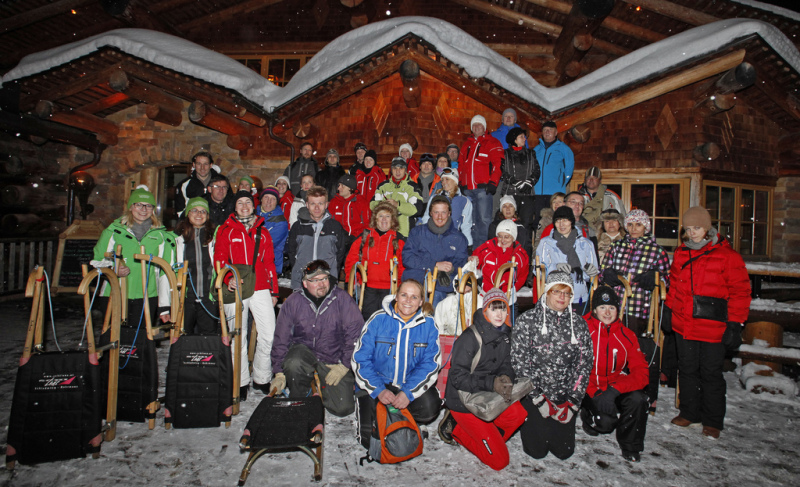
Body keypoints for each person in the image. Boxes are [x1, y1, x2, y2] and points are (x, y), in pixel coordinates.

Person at [665, 206, 751, 439]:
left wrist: (735, 323)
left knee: (711, 372)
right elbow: (674, 284)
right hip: (684, 322)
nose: (692, 233)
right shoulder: (682, 253)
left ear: (708, 228)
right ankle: (689, 412)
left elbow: (740, 292)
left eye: (697, 228)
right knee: (687, 368)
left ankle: (713, 420)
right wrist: (668, 310)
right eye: (688, 228)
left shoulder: (728, 256)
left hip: (713, 325)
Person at [439, 289, 527, 471]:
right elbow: (457, 377)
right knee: (500, 461)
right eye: (494, 309)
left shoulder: (506, 334)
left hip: (488, 396)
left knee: (518, 414)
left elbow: (507, 363)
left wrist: (506, 376)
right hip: (464, 400)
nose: (499, 314)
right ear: (485, 310)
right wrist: (491, 383)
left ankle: (488, 439)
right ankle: (456, 429)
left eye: (503, 308)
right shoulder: (470, 338)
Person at [511, 271, 592, 460]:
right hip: (535, 396)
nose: (562, 297)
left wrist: (573, 402)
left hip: (564, 396)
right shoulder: (527, 321)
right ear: (547, 292)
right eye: (557, 291)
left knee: (564, 452)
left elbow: (584, 365)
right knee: (536, 452)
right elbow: (520, 363)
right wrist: (538, 399)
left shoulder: (579, 324)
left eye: (567, 293)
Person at [270, 260, 365, 416]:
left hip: (333, 357)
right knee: (293, 363)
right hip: (304, 352)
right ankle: (303, 392)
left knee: (343, 408)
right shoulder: (293, 302)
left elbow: (356, 334)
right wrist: (278, 372)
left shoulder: (342, 299)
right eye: (315, 280)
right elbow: (281, 338)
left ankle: (323, 389)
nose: (321, 284)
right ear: (305, 283)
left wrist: (344, 364)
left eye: (324, 279)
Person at [352, 279, 441, 440]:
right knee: (370, 439)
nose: (408, 300)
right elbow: (360, 359)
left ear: (421, 302)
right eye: (404, 295)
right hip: (379, 382)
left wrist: (408, 393)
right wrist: (379, 390)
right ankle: (383, 415)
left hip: (408, 383)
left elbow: (430, 364)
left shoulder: (428, 325)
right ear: (396, 297)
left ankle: (406, 418)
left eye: (414, 297)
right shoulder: (378, 319)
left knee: (429, 407)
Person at [601, 209, 670, 411]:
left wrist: (655, 277)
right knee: (617, 350)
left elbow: (667, 278)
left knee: (642, 352)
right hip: (618, 307)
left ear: (645, 227)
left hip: (642, 308)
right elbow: (603, 269)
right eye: (630, 224)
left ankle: (646, 393)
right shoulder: (617, 246)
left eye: (638, 225)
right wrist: (608, 274)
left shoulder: (656, 250)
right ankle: (617, 391)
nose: (633, 228)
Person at [214, 190, 280, 399]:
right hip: (237, 287)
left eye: (248, 203)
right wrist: (228, 278)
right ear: (235, 207)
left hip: (260, 287)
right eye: (240, 203)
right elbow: (220, 259)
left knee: (269, 334)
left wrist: (274, 290)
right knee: (237, 337)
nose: (244, 206)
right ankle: (240, 381)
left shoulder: (263, 231)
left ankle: (262, 377)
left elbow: (269, 262)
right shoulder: (226, 230)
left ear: (254, 206)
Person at [580, 285, 650, 463]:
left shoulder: (627, 335)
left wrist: (614, 391)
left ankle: (631, 445)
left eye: (612, 307)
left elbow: (641, 372)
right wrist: (595, 394)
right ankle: (588, 415)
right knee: (605, 424)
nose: (607, 312)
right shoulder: (583, 331)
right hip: (588, 387)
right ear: (594, 310)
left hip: (613, 386)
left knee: (638, 399)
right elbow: (574, 370)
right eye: (602, 307)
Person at [94, 185, 175, 329]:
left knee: (140, 337)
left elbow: (165, 272)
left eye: (148, 205)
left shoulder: (161, 236)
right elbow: (97, 261)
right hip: (114, 293)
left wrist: (164, 306)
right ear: (131, 207)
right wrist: (113, 270)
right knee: (114, 336)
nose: (143, 209)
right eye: (139, 205)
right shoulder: (113, 231)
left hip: (147, 295)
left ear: (153, 210)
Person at [402, 195, 469, 307]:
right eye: (436, 212)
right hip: (417, 281)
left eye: (443, 212)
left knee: (435, 296)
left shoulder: (459, 238)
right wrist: (435, 265)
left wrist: (451, 269)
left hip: (440, 286)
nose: (440, 217)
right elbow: (407, 258)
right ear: (431, 213)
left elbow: (462, 264)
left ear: (449, 213)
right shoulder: (417, 233)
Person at [344, 202, 406, 320]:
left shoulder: (398, 239)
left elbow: (403, 265)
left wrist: (401, 285)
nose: (384, 219)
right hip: (368, 287)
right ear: (375, 219)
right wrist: (353, 279)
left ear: (393, 220)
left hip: (390, 288)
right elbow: (352, 260)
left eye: (387, 216)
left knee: (387, 319)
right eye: (380, 216)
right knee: (368, 318)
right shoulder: (364, 237)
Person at [536, 206, 599, 312]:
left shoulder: (586, 244)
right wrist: (555, 268)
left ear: (572, 222)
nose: (561, 224)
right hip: (555, 296)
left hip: (578, 296)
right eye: (558, 221)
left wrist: (590, 272)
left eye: (565, 220)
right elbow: (537, 270)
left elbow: (592, 275)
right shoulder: (546, 243)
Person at [287, 186, 349, 290]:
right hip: (302, 282)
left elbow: (340, 254)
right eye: (313, 204)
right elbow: (292, 253)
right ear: (307, 205)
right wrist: (300, 272)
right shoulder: (297, 227)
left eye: (320, 203)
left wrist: (332, 274)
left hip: (326, 283)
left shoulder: (335, 227)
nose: (316, 208)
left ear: (326, 205)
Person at [173, 197, 217, 335]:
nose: (199, 214)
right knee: (184, 335)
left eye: (203, 211)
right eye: (194, 210)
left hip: (208, 296)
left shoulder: (214, 237)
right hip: (186, 297)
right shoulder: (177, 238)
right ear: (188, 214)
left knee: (208, 336)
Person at [458, 114, 503, 248]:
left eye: (479, 124)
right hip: (468, 190)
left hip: (483, 189)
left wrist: (493, 182)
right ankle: (472, 248)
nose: (477, 127)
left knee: (483, 220)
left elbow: (498, 164)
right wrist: (461, 183)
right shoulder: (466, 145)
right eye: (474, 125)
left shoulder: (492, 142)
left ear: (484, 127)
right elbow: (461, 166)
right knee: (469, 221)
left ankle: (483, 249)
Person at [469, 220, 529, 304]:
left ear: (513, 237)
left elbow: (522, 276)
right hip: (485, 296)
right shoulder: (486, 248)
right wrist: (472, 260)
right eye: (500, 236)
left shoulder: (520, 255)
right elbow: (472, 265)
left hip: (508, 297)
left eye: (507, 237)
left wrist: (513, 289)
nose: (503, 240)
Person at [533, 121, 574, 229]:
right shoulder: (536, 150)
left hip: (554, 193)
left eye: (550, 130)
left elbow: (569, 168)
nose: (547, 132)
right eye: (545, 130)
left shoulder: (563, 148)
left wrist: (561, 182)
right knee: (538, 221)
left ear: (556, 133)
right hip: (538, 192)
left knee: (555, 220)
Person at [371, 157, 424, 237]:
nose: (398, 171)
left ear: (405, 170)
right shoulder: (383, 186)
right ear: (391, 170)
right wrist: (383, 205)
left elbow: (417, 210)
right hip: (384, 232)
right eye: (395, 168)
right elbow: (372, 204)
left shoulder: (413, 187)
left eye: (401, 168)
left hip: (404, 233)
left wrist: (397, 205)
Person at [419, 168, 473, 247]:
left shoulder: (464, 201)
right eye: (442, 180)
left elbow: (466, 226)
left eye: (447, 179)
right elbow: (426, 217)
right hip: (434, 239)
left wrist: (469, 245)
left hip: (453, 241)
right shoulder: (434, 198)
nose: (444, 182)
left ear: (455, 181)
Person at [500, 126, 539, 231]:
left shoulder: (531, 153)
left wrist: (529, 183)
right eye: (521, 136)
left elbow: (536, 171)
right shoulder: (505, 154)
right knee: (509, 222)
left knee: (527, 222)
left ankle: (525, 241)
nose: (524, 139)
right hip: (510, 193)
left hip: (527, 193)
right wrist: (516, 182)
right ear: (514, 139)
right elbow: (502, 171)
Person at [329, 174, 371, 247]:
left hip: (357, 240)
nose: (339, 188)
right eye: (339, 185)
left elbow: (367, 224)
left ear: (351, 188)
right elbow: (330, 223)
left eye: (342, 186)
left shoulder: (361, 202)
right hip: (338, 240)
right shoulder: (334, 202)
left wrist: (356, 238)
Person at [175, 151, 221, 216]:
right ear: (194, 165)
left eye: (205, 164)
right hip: (195, 220)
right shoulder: (184, 185)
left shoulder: (222, 182)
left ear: (211, 165)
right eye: (199, 164)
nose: (202, 168)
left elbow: (228, 204)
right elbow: (180, 211)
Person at [255, 186, 289, 275]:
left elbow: (267, 245)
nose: (269, 201)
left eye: (273, 199)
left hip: (271, 266)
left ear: (277, 202)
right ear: (261, 199)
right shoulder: (253, 215)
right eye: (266, 197)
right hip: (253, 263)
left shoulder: (280, 222)